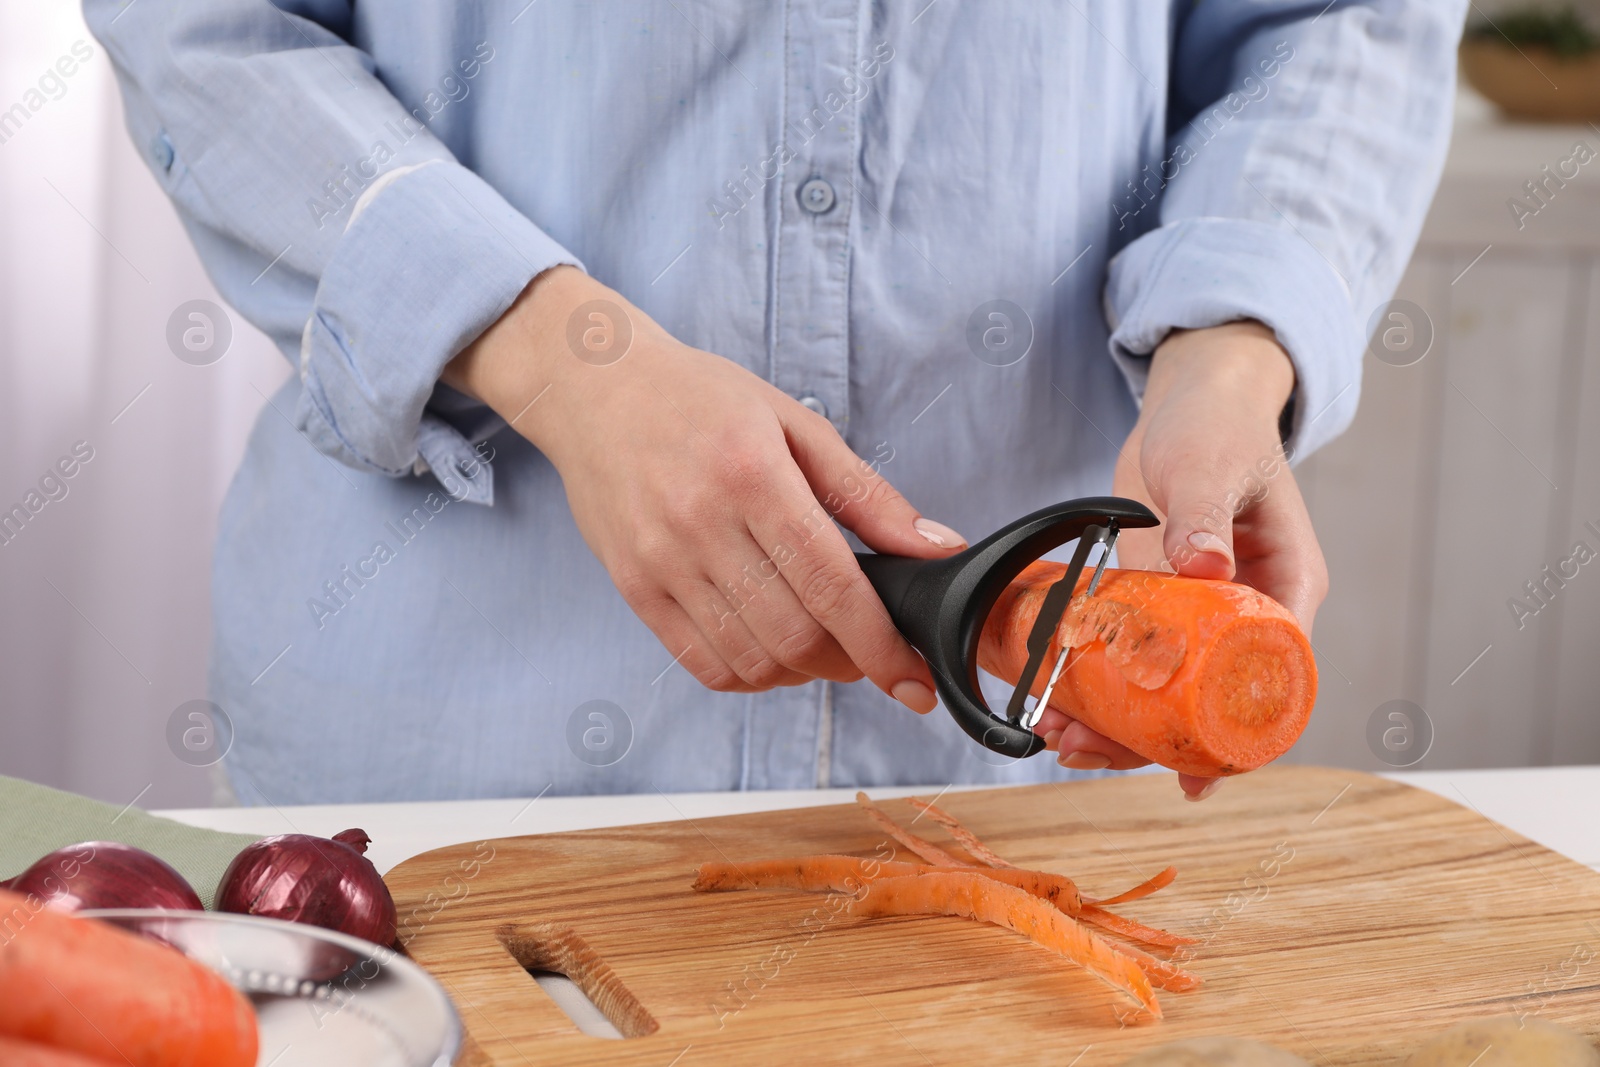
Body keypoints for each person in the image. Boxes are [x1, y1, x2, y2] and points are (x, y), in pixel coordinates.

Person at [86, 1, 1465, 805]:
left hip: (1023, 787)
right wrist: (560, 359)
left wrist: (1232, 344)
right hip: (450, 768)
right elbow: (212, 32)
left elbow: (1338, 20)